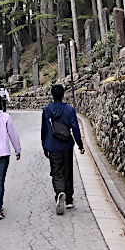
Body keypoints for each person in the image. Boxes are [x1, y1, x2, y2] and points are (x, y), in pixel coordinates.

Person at [41, 84, 84, 215]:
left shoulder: (46, 110)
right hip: (66, 145)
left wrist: (44, 146)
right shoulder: (70, 110)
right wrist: (80, 145)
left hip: (53, 145)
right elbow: (76, 128)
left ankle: (60, 191)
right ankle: (69, 199)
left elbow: (44, 130)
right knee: (67, 170)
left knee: (56, 171)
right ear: (63, 94)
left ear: (52, 95)